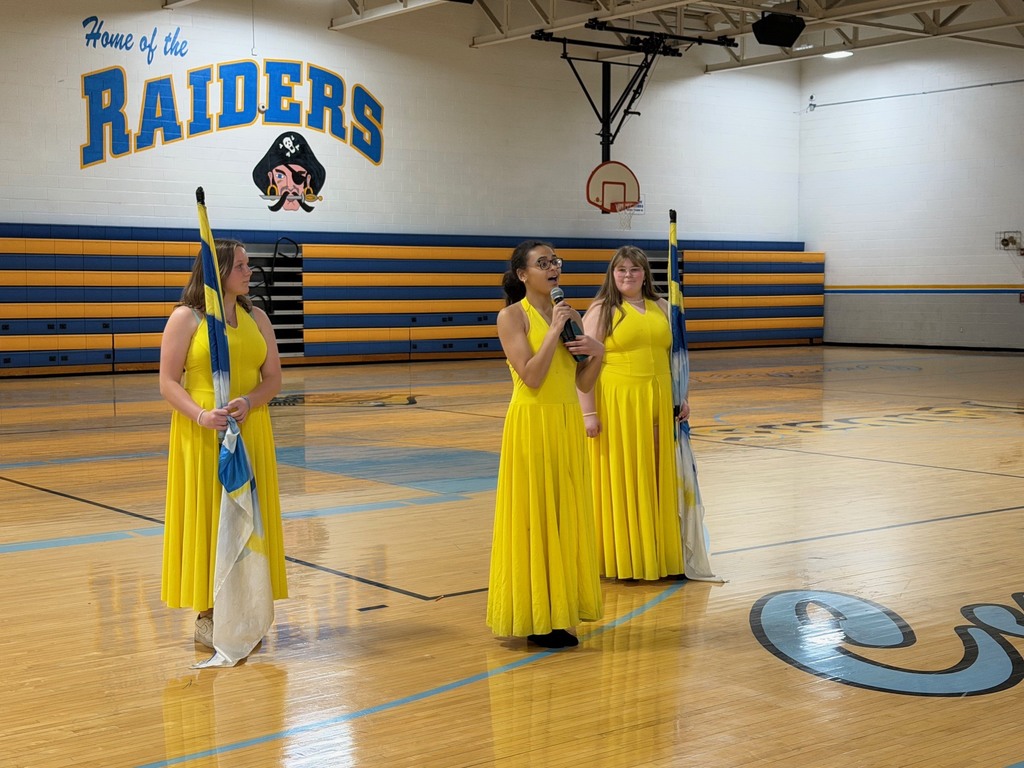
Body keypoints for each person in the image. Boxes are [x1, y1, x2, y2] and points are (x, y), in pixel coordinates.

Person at [159, 238, 288, 648]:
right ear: (218, 273)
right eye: (241, 266)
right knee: (212, 519)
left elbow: (274, 379)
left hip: (251, 429)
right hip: (202, 433)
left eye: (249, 265)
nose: (250, 272)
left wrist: (250, 401)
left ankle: (248, 604)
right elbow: (166, 382)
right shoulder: (186, 318)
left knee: (249, 517)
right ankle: (208, 613)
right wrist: (201, 415)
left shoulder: (258, 317)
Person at [486, 240, 605, 649]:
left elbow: (582, 382)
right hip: (531, 423)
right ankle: (534, 616)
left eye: (555, 261)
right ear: (523, 274)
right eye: (543, 262)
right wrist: (555, 328)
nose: (552, 267)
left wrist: (598, 353)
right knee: (534, 516)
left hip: (565, 420)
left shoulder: (569, 315)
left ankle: (559, 613)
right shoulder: (510, 317)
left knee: (563, 514)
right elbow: (532, 377)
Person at [578, 245, 690, 581]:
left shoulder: (662, 306)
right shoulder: (602, 309)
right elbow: (582, 365)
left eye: (635, 269)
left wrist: (683, 396)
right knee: (624, 478)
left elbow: (677, 357)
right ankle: (624, 559)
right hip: (618, 402)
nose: (628, 275)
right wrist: (588, 413)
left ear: (645, 274)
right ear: (612, 274)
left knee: (655, 477)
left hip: (659, 401)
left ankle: (658, 554)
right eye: (621, 270)